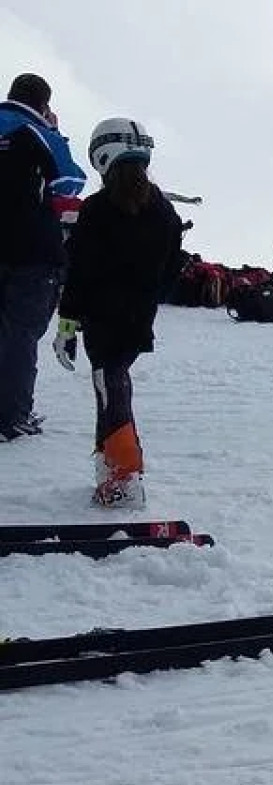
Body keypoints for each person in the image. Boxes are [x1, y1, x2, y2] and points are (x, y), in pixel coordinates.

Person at [53, 117, 181, 508]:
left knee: (110, 386)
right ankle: (112, 468)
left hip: (103, 320)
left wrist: (67, 322)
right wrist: (146, 299)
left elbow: (80, 271)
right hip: (137, 320)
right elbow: (172, 268)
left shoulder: (98, 210)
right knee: (111, 382)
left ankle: (124, 477)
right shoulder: (163, 211)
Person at [1, 72, 85, 442]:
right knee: (20, 334)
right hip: (31, 251)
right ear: (43, 103)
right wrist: (55, 133)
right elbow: (69, 181)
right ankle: (11, 417)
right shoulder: (36, 131)